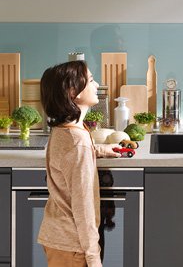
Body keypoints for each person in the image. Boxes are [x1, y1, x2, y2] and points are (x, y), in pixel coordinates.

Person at [37, 61, 120, 267]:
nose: (97, 84)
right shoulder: (77, 143)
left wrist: (98, 150)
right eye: (91, 80)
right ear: (73, 92)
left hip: (59, 238)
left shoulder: (64, 129)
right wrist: (93, 257)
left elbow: (67, 158)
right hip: (73, 245)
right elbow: (83, 207)